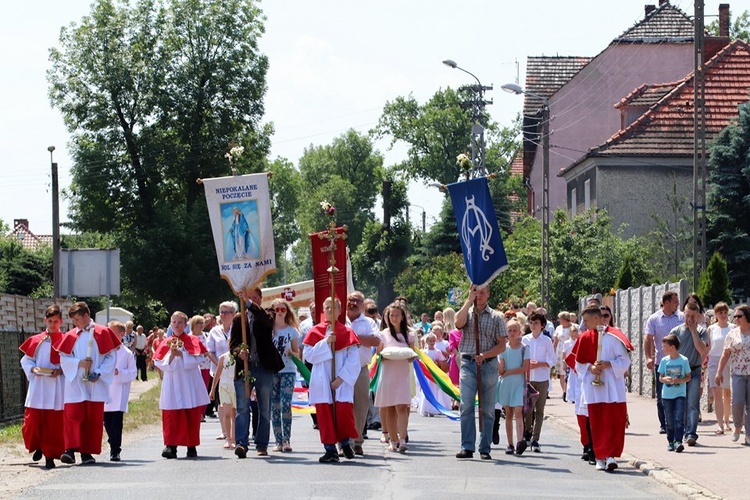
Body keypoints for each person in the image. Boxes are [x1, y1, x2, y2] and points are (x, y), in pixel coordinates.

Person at [56, 302, 119, 465]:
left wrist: (100, 373)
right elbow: (63, 357)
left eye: (78, 319)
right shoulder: (70, 335)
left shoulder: (102, 332)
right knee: (73, 415)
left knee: (92, 418)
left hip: (95, 382)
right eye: (74, 321)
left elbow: (111, 357)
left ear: (86, 316)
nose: (76, 324)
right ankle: (69, 450)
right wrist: (79, 363)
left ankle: (87, 452)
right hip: (75, 381)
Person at [571, 306, 633, 472]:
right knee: (597, 422)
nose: (584, 324)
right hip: (594, 388)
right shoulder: (584, 338)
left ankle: (611, 456)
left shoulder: (613, 336)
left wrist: (608, 364)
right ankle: (600, 456)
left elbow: (625, 360)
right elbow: (578, 363)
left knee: (613, 421)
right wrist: (591, 368)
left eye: (586, 320)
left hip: (613, 386)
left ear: (597, 319)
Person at [303, 297, 361, 463]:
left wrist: (341, 379)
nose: (329, 311)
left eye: (333, 308)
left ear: (339, 311)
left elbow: (353, 360)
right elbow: (309, 356)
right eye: (326, 308)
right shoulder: (315, 331)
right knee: (325, 414)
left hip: (340, 381)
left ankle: (344, 443)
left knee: (342, 413)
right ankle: (330, 449)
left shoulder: (347, 332)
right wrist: (325, 343)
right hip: (322, 379)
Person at [455, 285, 508, 460]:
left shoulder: (497, 317)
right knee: (466, 404)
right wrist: (468, 300)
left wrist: (485, 355)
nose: (479, 295)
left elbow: (501, 344)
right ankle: (467, 446)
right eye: (476, 292)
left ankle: (485, 448)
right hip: (468, 363)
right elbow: (458, 323)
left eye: (482, 292)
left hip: (488, 364)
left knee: (487, 408)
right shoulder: (467, 312)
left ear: (489, 294)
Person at [233, 288, 285, 458]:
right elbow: (232, 344)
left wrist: (249, 303)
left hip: (263, 367)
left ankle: (261, 444)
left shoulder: (267, 314)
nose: (252, 300)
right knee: (242, 407)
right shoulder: (238, 319)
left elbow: (268, 322)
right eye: (248, 297)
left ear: (261, 299)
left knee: (264, 408)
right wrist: (238, 352)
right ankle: (241, 443)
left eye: (255, 297)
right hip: (245, 367)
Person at [154, 311, 210, 459]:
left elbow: (199, 359)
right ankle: (170, 447)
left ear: (185, 325)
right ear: (171, 324)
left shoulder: (193, 340)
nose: (177, 325)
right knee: (171, 414)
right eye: (174, 322)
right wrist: (172, 355)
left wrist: (182, 355)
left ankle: (191, 446)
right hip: (172, 382)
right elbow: (158, 362)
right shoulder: (166, 341)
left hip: (189, 381)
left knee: (191, 413)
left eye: (180, 323)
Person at [19, 304, 65, 469]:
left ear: (61, 321)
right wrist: (33, 368)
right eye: (50, 321)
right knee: (33, 423)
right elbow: (26, 360)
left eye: (56, 321)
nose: (53, 324)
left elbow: (70, 362)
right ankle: (38, 445)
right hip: (39, 386)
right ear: (45, 320)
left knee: (52, 424)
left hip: (55, 386)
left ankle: (49, 456)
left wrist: (60, 370)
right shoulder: (36, 340)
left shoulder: (66, 340)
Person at [375, 302, 416, 453]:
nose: (394, 318)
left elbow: (412, 356)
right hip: (388, 374)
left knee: (402, 407)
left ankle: (403, 439)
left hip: (402, 374)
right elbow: (379, 354)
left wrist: (407, 355)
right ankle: (393, 440)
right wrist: (384, 355)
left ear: (402, 316)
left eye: (397, 315)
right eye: (391, 315)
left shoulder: (409, 334)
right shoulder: (384, 334)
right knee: (390, 407)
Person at [346, 291, 381, 456]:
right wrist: (361, 339)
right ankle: (344, 442)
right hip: (341, 370)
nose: (353, 303)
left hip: (360, 369)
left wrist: (349, 337)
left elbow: (375, 340)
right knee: (342, 406)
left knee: (361, 405)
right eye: (350, 300)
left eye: (357, 301)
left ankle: (357, 440)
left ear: (363, 305)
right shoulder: (338, 319)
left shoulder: (368, 322)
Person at [644, 291, 684, 434]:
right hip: (662, 362)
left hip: (679, 362)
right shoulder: (654, 319)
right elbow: (648, 338)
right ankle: (664, 424)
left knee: (679, 393)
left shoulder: (682, 317)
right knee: (662, 395)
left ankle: (677, 423)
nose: (677, 304)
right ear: (666, 303)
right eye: (675, 301)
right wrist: (648, 357)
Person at [669, 302, 708, 446]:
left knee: (693, 403)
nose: (689, 319)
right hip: (678, 372)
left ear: (698, 316)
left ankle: (691, 433)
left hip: (695, 371)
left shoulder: (702, 331)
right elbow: (669, 352)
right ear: (683, 314)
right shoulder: (675, 332)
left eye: (692, 316)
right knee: (680, 403)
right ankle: (682, 431)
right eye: (687, 315)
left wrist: (693, 331)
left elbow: (701, 349)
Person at [521, 311, 556, 453]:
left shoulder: (547, 341)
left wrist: (540, 364)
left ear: (542, 325)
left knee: (540, 410)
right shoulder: (525, 340)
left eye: (536, 323)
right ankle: (527, 432)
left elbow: (552, 360)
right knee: (527, 409)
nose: (533, 325)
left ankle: (536, 439)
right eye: (531, 322)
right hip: (528, 378)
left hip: (542, 378)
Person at [715, 304, 750, 444]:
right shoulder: (732, 334)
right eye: (734, 316)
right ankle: (737, 426)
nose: (736, 319)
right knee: (737, 402)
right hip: (737, 373)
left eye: (739, 316)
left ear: (747, 316)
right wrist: (719, 372)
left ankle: (748, 433)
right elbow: (725, 354)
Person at [269, 298, 300, 453]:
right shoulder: (269, 330)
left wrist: (291, 353)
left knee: (285, 403)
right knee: (274, 405)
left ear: (287, 312)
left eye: (283, 309)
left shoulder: (292, 331)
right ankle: (278, 441)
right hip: (273, 370)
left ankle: (287, 439)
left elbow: (298, 355)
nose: (280, 312)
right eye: (277, 309)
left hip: (288, 369)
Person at [103, 321, 137, 462]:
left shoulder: (127, 353)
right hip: (105, 391)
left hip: (119, 392)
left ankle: (115, 450)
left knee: (117, 422)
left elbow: (133, 373)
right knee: (107, 422)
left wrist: (120, 372)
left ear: (121, 334)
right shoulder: (104, 351)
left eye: (112, 332)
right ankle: (112, 440)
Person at [497, 320, 530, 455]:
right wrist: (497, 363)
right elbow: (501, 370)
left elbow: (525, 368)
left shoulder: (524, 348)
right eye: (509, 330)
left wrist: (509, 372)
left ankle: (519, 441)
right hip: (506, 384)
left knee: (518, 411)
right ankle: (509, 443)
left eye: (514, 330)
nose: (511, 333)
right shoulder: (503, 348)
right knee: (508, 413)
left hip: (518, 384)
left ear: (519, 332)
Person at [658, 334, 691, 453]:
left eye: (665, 347)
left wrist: (680, 380)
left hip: (680, 394)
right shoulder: (664, 361)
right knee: (669, 419)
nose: (663, 349)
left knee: (678, 417)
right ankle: (670, 441)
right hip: (666, 395)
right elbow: (660, 377)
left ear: (673, 347)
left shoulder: (684, 360)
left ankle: (678, 441)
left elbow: (688, 377)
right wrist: (664, 379)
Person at [207, 301, 235, 440]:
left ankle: (235, 432)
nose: (224, 315)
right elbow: (210, 351)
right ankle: (224, 431)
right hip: (218, 371)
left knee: (234, 402)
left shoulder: (238, 328)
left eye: (227, 312)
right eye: (222, 312)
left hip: (235, 371)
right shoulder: (214, 331)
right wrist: (219, 364)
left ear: (233, 314)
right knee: (221, 402)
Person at [707, 302, 733, 434]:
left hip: (729, 360)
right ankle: (720, 424)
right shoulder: (711, 329)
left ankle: (727, 420)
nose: (723, 315)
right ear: (716, 314)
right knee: (717, 392)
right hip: (714, 360)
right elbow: (708, 346)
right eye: (720, 313)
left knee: (727, 393)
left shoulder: (733, 328)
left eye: (725, 312)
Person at [209, 346, 237, 450]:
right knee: (227, 413)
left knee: (234, 414)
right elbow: (217, 373)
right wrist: (212, 390)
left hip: (235, 387)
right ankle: (228, 439)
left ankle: (234, 439)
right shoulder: (223, 357)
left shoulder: (239, 357)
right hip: (224, 386)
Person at [554, 312, 573, 401]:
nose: (559, 320)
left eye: (560, 318)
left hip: (570, 351)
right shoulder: (558, 328)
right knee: (562, 373)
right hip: (560, 352)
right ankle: (564, 391)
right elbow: (555, 341)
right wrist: (552, 351)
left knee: (570, 372)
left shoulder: (573, 327)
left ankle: (571, 391)